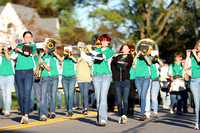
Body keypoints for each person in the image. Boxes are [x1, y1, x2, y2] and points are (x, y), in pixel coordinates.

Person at [86, 34, 115, 126]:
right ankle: (100, 117)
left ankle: (103, 119)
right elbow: (88, 58)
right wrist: (82, 50)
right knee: (98, 99)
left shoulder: (110, 51)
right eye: (102, 41)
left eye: (106, 41)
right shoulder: (96, 50)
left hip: (106, 76)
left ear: (109, 42)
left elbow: (101, 56)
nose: (104, 42)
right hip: (96, 76)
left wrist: (90, 50)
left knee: (103, 98)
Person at [9, 31, 36, 124]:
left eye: (30, 37)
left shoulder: (32, 46)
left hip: (28, 71)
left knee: (26, 94)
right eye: (26, 37)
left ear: (31, 38)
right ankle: (23, 113)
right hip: (19, 71)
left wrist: (17, 48)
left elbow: (27, 53)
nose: (28, 38)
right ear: (23, 38)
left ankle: (26, 115)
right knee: (20, 95)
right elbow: (11, 57)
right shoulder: (19, 46)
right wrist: (10, 48)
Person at [111, 44, 133, 124]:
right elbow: (113, 66)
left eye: (127, 48)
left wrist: (114, 59)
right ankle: (120, 116)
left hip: (126, 80)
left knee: (126, 100)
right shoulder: (117, 57)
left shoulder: (130, 58)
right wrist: (114, 57)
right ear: (121, 50)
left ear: (129, 50)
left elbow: (123, 64)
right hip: (117, 80)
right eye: (124, 48)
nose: (125, 50)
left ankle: (124, 115)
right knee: (119, 101)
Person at [132, 46, 152, 121]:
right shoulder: (137, 58)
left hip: (146, 78)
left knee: (143, 95)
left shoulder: (147, 57)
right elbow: (132, 63)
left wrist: (145, 55)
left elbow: (149, 63)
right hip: (138, 78)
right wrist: (137, 54)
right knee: (140, 95)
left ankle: (142, 113)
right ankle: (143, 110)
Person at [33, 43, 51, 121]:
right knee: (38, 98)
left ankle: (43, 114)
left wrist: (43, 63)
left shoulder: (48, 57)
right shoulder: (34, 58)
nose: (41, 52)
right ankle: (40, 114)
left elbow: (49, 69)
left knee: (43, 97)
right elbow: (33, 69)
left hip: (45, 78)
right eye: (39, 50)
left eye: (42, 50)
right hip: (36, 78)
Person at [185, 40, 200, 130]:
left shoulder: (196, 57)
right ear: (196, 47)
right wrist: (188, 57)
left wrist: (194, 54)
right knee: (197, 103)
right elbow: (186, 68)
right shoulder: (192, 59)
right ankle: (197, 122)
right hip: (194, 81)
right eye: (199, 46)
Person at [0, 43, 17, 117]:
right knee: (3, 94)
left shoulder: (12, 55)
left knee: (8, 93)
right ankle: (5, 109)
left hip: (10, 76)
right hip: (1, 76)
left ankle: (7, 110)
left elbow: (8, 57)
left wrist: (7, 51)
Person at [76, 42, 93, 115]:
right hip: (80, 78)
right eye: (80, 47)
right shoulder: (78, 59)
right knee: (82, 94)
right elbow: (76, 67)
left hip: (86, 78)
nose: (81, 49)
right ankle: (83, 108)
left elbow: (91, 64)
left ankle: (85, 108)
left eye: (82, 47)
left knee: (85, 94)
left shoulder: (88, 58)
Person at [145, 54, 164, 119]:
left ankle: (155, 111)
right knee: (147, 96)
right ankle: (147, 111)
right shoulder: (146, 60)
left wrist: (157, 58)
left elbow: (162, 64)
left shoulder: (156, 62)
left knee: (154, 97)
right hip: (148, 80)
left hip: (155, 80)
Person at [61, 47, 77, 117]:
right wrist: (65, 55)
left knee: (70, 94)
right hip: (64, 77)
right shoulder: (63, 58)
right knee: (66, 95)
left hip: (72, 78)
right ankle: (68, 110)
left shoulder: (72, 58)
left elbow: (76, 60)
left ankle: (70, 110)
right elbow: (61, 60)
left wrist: (70, 55)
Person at [128, 45, 136, 116]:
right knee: (126, 94)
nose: (131, 52)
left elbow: (136, 68)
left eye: (132, 50)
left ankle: (131, 108)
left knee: (132, 94)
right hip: (126, 77)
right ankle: (127, 107)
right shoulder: (126, 58)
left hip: (133, 78)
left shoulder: (136, 59)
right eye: (130, 50)